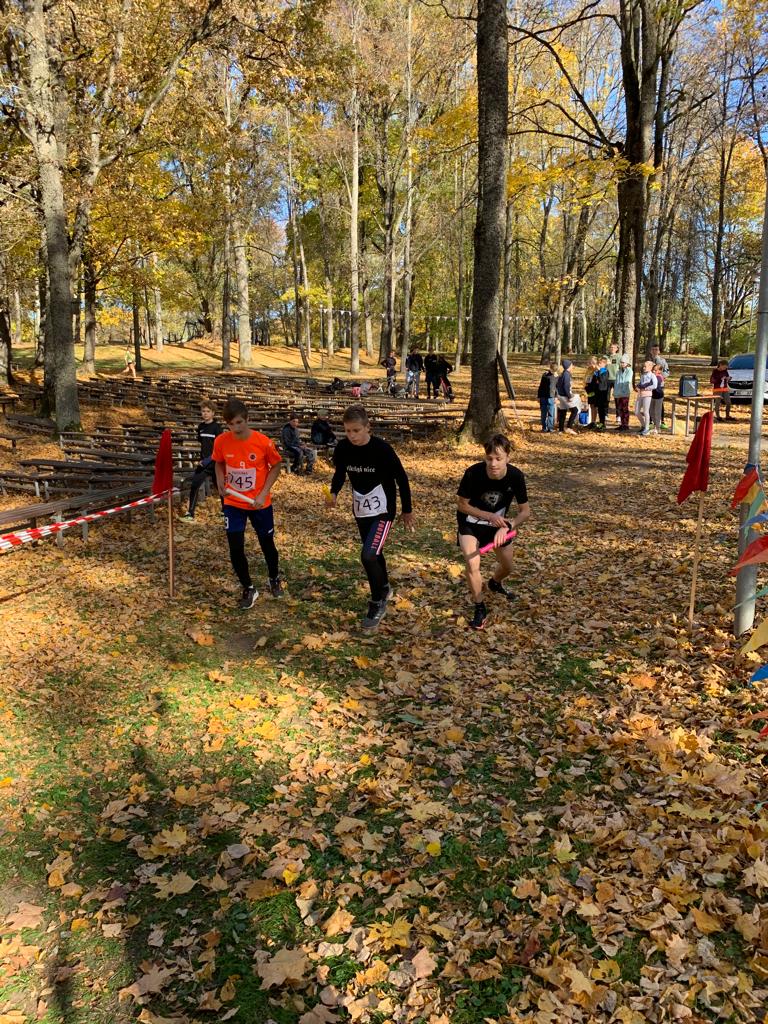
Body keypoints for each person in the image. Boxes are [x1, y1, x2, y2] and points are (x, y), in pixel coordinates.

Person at [325, 404, 414, 631]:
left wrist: (407, 510)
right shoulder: (343, 448)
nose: (352, 436)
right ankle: (384, 587)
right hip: (361, 509)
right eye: (348, 431)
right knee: (374, 553)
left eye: (356, 430)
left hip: (383, 510)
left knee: (368, 555)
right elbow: (340, 473)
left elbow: (402, 479)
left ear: (367, 427)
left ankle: (377, 602)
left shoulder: (382, 449)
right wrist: (334, 493)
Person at [213, 398, 284, 608]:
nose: (236, 428)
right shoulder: (221, 441)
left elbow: (276, 466)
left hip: (258, 503)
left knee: (267, 543)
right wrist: (220, 480)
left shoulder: (263, 442)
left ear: (247, 419)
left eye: (239, 422)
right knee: (235, 547)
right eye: (231, 424)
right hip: (233, 502)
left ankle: (274, 577)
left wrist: (263, 493)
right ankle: (248, 587)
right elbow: (219, 463)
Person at [457, 434, 531, 631]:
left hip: (499, 525)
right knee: (472, 563)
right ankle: (479, 606)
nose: (493, 464)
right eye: (489, 458)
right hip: (470, 522)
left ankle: (495, 583)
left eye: (498, 458)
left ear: (508, 457)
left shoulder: (516, 476)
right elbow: (462, 505)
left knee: (508, 567)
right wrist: (488, 516)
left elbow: (525, 512)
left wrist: (508, 527)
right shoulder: (473, 473)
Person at [180, 400, 225, 523]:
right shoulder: (200, 427)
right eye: (203, 411)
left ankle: (226, 511)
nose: (205, 413)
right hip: (203, 464)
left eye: (208, 411)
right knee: (194, 485)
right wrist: (203, 460)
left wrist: (208, 460)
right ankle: (190, 513)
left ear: (213, 413)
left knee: (220, 487)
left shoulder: (217, 428)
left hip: (215, 463)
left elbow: (219, 448)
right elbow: (203, 444)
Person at [634, 361, 657, 437]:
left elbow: (655, 385)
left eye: (645, 366)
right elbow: (641, 383)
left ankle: (647, 429)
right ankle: (644, 425)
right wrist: (638, 386)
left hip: (647, 395)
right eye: (643, 366)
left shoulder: (652, 375)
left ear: (650, 367)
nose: (644, 368)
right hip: (640, 394)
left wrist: (646, 388)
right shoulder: (643, 375)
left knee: (645, 411)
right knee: (636, 412)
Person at [555, 359, 579, 433]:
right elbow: (566, 386)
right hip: (564, 396)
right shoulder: (566, 374)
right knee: (575, 410)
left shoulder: (563, 373)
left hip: (561, 395)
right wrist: (569, 396)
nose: (572, 366)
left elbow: (558, 385)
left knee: (563, 412)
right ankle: (569, 427)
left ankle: (561, 430)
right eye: (571, 365)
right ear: (568, 366)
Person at [590, 356, 611, 429]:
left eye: (600, 363)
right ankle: (599, 423)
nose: (599, 364)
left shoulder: (605, 372)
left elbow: (602, 380)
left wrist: (599, 371)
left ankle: (602, 424)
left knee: (602, 409)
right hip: (597, 392)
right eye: (598, 363)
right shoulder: (596, 372)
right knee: (599, 409)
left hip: (603, 393)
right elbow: (594, 381)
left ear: (604, 364)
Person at [614, 354, 632, 431]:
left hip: (625, 393)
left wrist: (623, 391)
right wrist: (616, 391)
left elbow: (627, 381)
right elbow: (616, 382)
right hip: (618, 392)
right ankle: (622, 424)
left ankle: (626, 424)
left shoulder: (629, 371)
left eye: (623, 362)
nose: (622, 364)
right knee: (620, 408)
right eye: (621, 362)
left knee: (625, 409)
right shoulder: (618, 371)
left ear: (627, 363)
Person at [537, 362, 557, 432]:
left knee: (550, 413)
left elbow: (556, 388)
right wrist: (539, 396)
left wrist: (556, 397)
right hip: (544, 397)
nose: (553, 372)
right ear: (550, 368)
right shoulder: (545, 375)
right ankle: (544, 428)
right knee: (544, 413)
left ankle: (550, 428)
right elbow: (541, 386)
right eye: (552, 370)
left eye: (554, 371)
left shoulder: (556, 376)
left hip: (551, 397)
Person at [607, 342, 621, 422]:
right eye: (611, 347)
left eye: (614, 347)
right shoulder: (606, 357)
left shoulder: (619, 357)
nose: (612, 349)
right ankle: (605, 414)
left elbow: (622, 367)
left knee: (617, 398)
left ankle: (618, 416)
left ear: (617, 349)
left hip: (616, 379)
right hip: (607, 379)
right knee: (606, 397)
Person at [650, 363, 665, 434]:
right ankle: (655, 425)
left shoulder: (659, 377)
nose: (653, 371)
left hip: (659, 396)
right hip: (652, 396)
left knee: (657, 412)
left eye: (655, 370)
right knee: (651, 411)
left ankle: (658, 428)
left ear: (660, 371)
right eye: (653, 370)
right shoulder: (653, 376)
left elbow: (655, 385)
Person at [583, 356, 598, 428]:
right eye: (589, 362)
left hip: (595, 390)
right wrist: (585, 387)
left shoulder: (596, 370)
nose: (589, 363)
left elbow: (597, 380)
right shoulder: (588, 370)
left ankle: (594, 421)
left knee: (594, 406)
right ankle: (592, 422)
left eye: (591, 362)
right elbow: (585, 379)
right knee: (591, 405)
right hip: (589, 390)